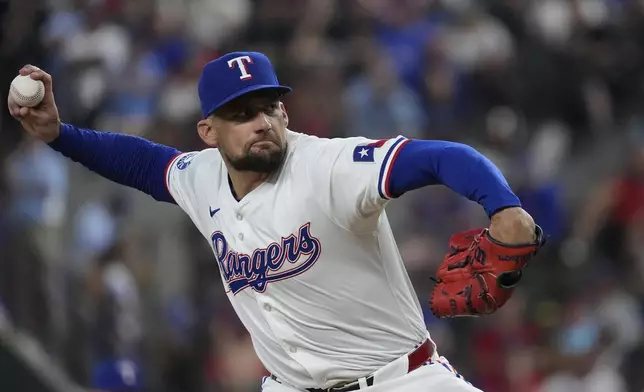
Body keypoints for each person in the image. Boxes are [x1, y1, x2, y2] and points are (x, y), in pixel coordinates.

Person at [8, 52, 539, 392]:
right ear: (209, 131)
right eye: (241, 113)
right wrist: (60, 135)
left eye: (270, 108)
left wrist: (504, 206)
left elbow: (441, 156)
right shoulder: (202, 178)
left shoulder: (328, 167)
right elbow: (141, 163)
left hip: (400, 381)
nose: (261, 122)